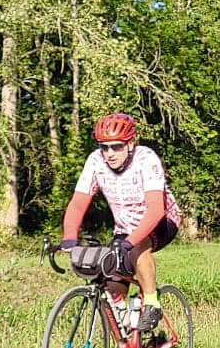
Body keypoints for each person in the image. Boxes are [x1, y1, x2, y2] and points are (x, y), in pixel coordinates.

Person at [60, 113, 182, 335]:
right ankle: (126, 345)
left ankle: (152, 302)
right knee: (112, 287)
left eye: (116, 147)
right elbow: (78, 202)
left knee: (137, 247)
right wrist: (69, 236)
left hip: (162, 220)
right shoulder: (95, 161)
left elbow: (155, 209)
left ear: (131, 143)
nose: (109, 154)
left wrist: (130, 242)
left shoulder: (146, 159)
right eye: (104, 147)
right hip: (125, 228)